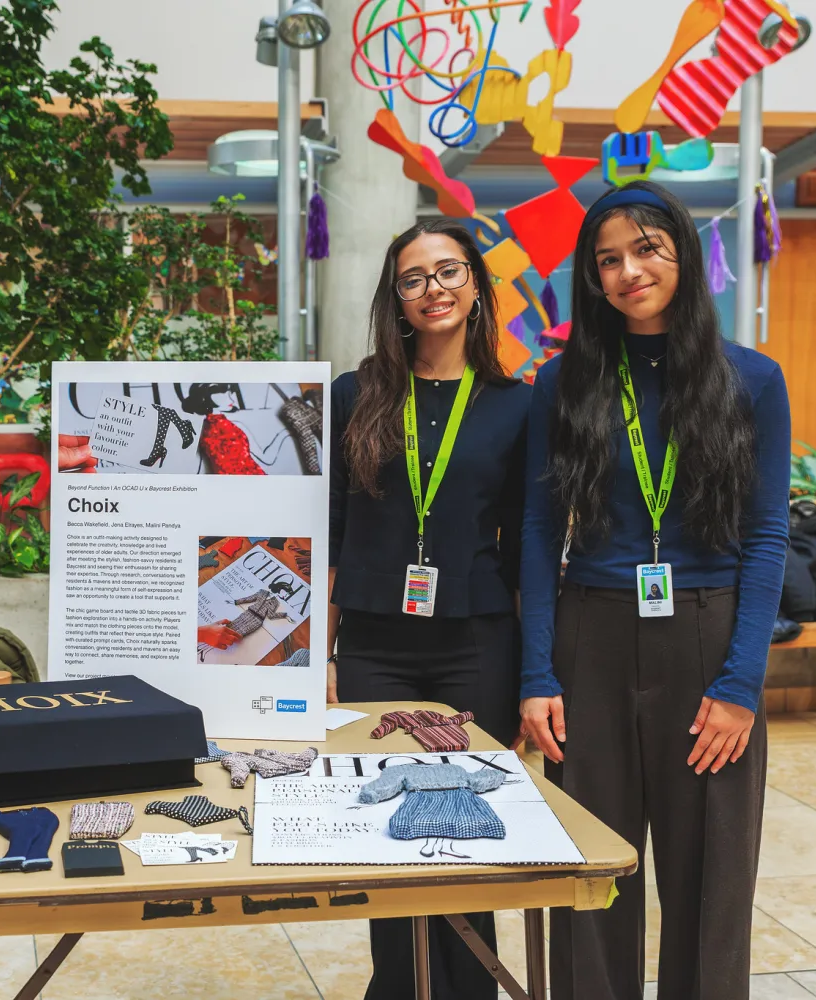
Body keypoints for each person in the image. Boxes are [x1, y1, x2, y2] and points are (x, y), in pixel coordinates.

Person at [518, 180, 790, 1000]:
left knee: (711, 877)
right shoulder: (562, 382)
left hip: (707, 639)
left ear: (683, 255)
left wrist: (740, 686)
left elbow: (766, 537)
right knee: (590, 869)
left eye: (646, 249)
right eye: (608, 260)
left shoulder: (751, 379)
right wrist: (537, 675)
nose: (629, 271)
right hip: (591, 638)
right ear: (592, 277)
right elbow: (538, 533)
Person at [328, 218, 529, 1000]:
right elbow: (333, 535)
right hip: (374, 646)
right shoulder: (356, 395)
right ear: (397, 298)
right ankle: (400, 988)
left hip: (477, 645)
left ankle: (472, 990)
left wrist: (537, 672)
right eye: (413, 278)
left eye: (448, 271)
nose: (433, 289)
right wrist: (320, 659)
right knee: (389, 833)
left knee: (470, 830)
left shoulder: (515, 405)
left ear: (476, 284)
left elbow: (524, 545)